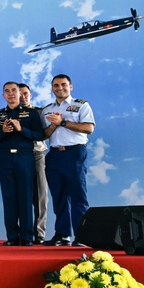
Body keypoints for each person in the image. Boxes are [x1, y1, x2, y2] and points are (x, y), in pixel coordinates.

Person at [41, 74, 95, 246]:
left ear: (70, 87)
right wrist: (53, 125)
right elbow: (43, 135)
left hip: (75, 153)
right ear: (52, 88)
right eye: (56, 85)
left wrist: (63, 122)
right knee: (59, 197)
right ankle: (62, 234)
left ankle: (83, 236)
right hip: (54, 155)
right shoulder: (47, 110)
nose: (60, 88)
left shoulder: (80, 105)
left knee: (78, 196)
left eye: (63, 85)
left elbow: (88, 128)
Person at [0, 82, 45, 245]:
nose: (10, 94)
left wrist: (22, 130)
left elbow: (39, 135)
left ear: (20, 93)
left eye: (13, 90)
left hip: (25, 157)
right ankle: (12, 237)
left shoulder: (31, 113)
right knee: (9, 197)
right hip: (6, 157)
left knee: (26, 196)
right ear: (3, 95)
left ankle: (27, 237)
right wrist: (3, 132)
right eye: (6, 91)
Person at [18, 83, 48, 244]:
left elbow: (45, 133)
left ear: (31, 95)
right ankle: (23, 233)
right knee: (20, 196)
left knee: (40, 195)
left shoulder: (40, 112)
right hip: (19, 156)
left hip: (37, 154)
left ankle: (40, 233)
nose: (22, 96)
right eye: (19, 93)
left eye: (25, 93)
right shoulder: (9, 113)